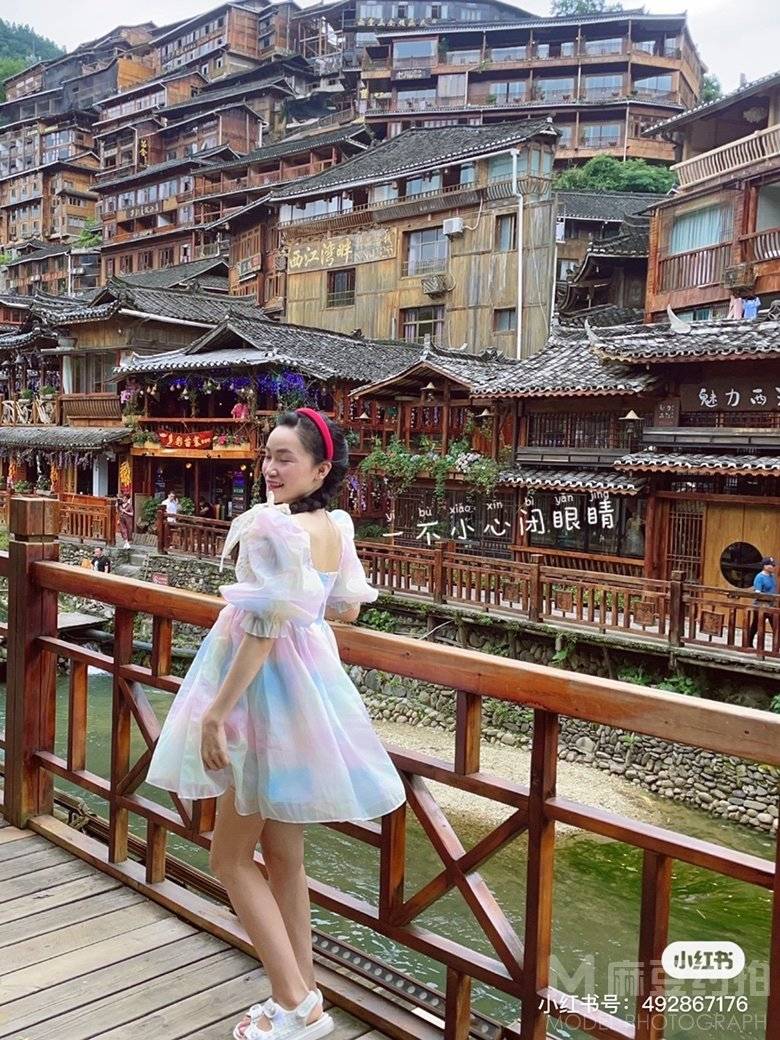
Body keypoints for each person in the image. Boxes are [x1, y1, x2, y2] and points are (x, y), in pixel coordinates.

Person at [146, 408, 405, 1040]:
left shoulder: (272, 527)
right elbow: (345, 608)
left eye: (285, 457)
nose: (270, 468)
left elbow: (260, 632)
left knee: (229, 857)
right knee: (285, 857)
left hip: (259, 696)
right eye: (267, 455)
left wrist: (215, 713)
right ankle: (304, 994)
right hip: (307, 692)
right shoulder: (333, 526)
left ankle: (294, 1003)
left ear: (320, 469)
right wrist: (301, 612)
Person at [748, 556, 777, 647]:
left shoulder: (772, 577)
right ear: (765, 566)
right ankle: (748, 643)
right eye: (771, 565)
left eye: (773, 565)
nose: (773, 567)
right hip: (761, 605)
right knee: (756, 625)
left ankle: (776, 646)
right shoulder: (759, 577)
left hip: (771, 605)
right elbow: (757, 592)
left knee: (776, 626)